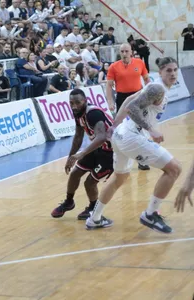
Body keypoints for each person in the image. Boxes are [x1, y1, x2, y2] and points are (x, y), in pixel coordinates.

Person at [86, 57, 182, 233]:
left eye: (175, 70)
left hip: (122, 134)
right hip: (131, 136)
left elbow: (130, 98)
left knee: (119, 178)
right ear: (160, 72)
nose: (173, 73)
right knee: (174, 169)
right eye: (168, 70)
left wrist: (115, 125)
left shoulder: (154, 86)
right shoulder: (156, 88)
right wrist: (151, 130)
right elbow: (133, 107)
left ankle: (94, 218)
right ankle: (150, 213)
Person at [51, 88, 114, 221]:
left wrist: (81, 153)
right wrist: (70, 157)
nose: (74, 106)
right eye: (71, 103)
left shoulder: (93, 113)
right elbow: (78, 136)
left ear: (85, 101)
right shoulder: (77, 112)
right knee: (75, 174)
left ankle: (93, 208)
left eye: (77, 103)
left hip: (111, 152)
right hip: (97, 149)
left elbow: (102, 137)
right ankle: (69, 202)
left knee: (90, 182)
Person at [106, 43, 151, 171]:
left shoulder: (139, 63)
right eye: (122, 51)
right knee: (120, 129)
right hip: (122, 99)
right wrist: (110, 101)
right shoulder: (114, 67)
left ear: (131, 52)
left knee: (140, 129)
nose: (124, 53)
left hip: (137, 97)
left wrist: (151, 95)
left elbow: (147, 80)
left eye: (126, 51)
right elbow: (109, 86)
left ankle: (142, 160)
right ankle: (118, 159)